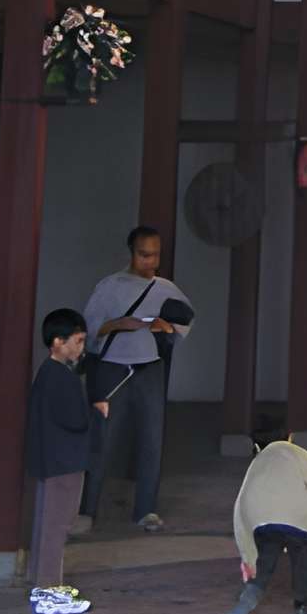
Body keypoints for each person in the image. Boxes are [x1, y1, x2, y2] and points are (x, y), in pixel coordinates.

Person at [78, 225, 191, 533]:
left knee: (152, 438)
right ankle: (86, 510)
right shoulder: (110, 286)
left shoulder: (166, 288)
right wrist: (120, 324)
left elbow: (182, 324)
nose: (150, 262)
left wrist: (163, 327)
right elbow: (89, 329)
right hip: (115, 367)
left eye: (155, 255)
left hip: (150, 367)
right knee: (102, 439)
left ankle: (146, 509)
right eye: (144, 255)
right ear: (132, 253)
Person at [25, 308, 102, 614]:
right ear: (58, 342)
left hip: (51, 459)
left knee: (48, 521)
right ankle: (48, 590)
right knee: (57, 524)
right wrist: (97, 410)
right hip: (65, 461)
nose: (80, 348)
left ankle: (44, 585)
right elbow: (75, 419)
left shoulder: (47, 373)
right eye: (78, 341)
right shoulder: (62, 378)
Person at [230, 430, 307, 614]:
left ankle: (253, 589)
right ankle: (305, 606)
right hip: (296, 513)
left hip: (259, 513)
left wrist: (247, 558)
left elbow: (240, 503)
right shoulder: (303, 455)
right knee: (304, 553)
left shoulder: (259, 459)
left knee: (266, 551)